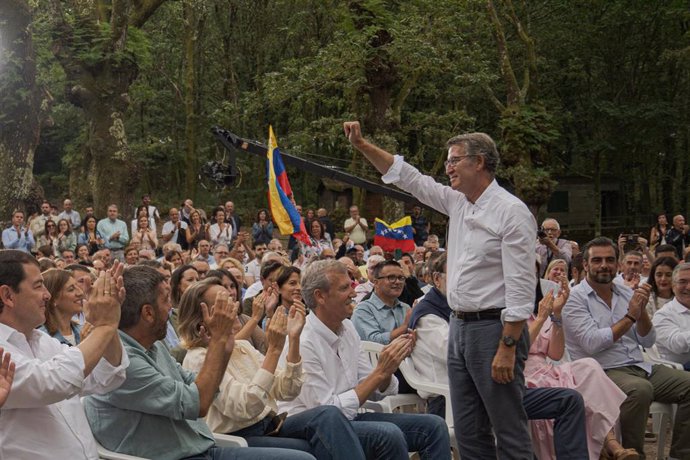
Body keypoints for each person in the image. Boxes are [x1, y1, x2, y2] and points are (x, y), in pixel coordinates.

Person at [344, 121, 536, 458]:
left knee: (507, 426)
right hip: (459, 326)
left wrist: (509, 343)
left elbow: (522, 285)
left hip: (495, 329)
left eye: (455, 160)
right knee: (468, 429)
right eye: (447, 161)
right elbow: (410, 178)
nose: (448, 168)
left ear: (479, 162)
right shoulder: (458, 202)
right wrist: (362, 145)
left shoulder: (511, 212)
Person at [84, 265, 309, 460]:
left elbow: (193, 383)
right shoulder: (126, 363)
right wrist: (220, 344)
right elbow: (199, 402)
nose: (172, 309)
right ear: (148, 313)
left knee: (318, 432)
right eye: (166, 301)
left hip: (201, 448)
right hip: (182, 455)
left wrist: (224, 348)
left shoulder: (152, 345)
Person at [408, 253, 590, 458]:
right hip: (456, 397)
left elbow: (546, 352)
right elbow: (468, 355)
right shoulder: (429, 315)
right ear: (437, 279)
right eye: (458, 275)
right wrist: (510, 342)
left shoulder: (475, 306)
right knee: (516, 432)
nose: (467, 282)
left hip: (498, 384)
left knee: (571, 397)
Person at [279, 259, 451, 459]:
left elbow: (380, 391)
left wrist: (387, 368)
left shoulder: (347, 328)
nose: (354, 293)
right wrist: (379, 373)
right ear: (320, 296)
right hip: (311, 427)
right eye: (345, 288)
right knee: (388, 435)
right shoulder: (304, 340)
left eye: (352, 285)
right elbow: (326, 414)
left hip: (350, 417)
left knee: (434, 426)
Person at [179, 277, 358, 459]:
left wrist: (294, 339)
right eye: (223, 304)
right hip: (238, 436)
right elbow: (244, 407)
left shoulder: (242, 346)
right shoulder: (198, 358)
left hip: (269, 425)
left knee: (328, 416)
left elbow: (287, 391)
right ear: (202, 318)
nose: (234, 307)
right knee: (307, 453)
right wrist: (274, 351)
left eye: (232, 300)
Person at [563, 237, 690, 457]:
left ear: (617, 264)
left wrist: (641, 316)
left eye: (610, 260)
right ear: (585, 265)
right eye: (597, 260)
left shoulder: (625, 292)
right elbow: (592, 343)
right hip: (601, 371)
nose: (604, 265)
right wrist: (631, 315)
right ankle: (632, 455)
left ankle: (679, 454)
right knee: (640, 390)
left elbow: (648, 341)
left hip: (640, 365)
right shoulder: (575, 299)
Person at [0, 250, 128, 459]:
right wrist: (106, 325)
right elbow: (51, 382)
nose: (47, 295)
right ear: (8, 296)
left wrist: (105, 320)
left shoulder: (41, 341)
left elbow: (103, 377)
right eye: (38, 286)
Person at [527, 278, 636, 459]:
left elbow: (555, 353)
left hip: (547, 369)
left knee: (589, 366)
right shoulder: (506, 316)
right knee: (568, 389)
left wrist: (557, 315)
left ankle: (610, 443)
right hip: (524, 375)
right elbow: (517, 351)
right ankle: (607, 447)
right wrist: (540, 319)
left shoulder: (537, 313)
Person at [352, 260, 411, 345]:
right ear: (376, 282)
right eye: (391, 277)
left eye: (401, 278)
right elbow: (373, 342)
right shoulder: (363, 310)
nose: (398, 282)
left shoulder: (406, 308)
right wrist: (405, 327)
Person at [652, 263, 690, 369]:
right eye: (682, 282)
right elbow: (677, 344)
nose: (688, 287)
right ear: (673, 287)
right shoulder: (663, 315)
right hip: (681, 370)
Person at [40, 268, 85, 346]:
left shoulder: (83, 330)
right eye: (71, 289)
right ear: (53, 298)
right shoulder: (41, 339)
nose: (80, 293)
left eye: (78, 287)